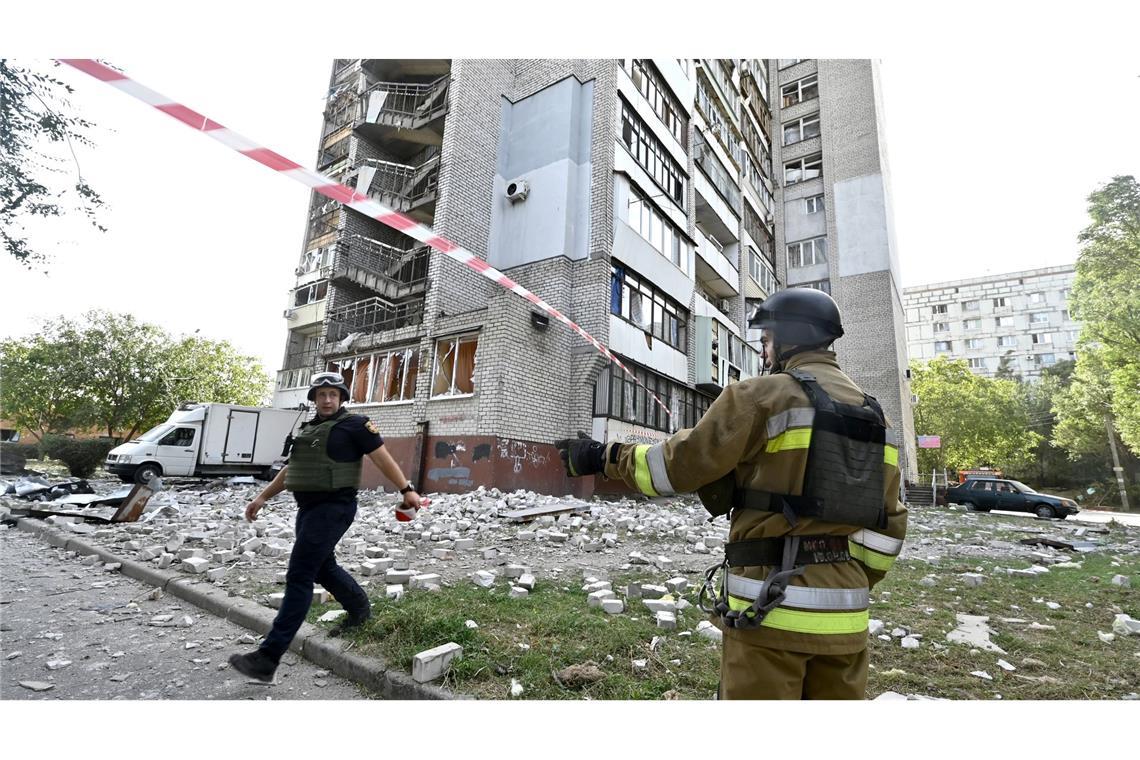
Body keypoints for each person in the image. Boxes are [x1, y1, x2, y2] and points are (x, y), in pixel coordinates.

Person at [556, 289, 907, 699]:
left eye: (766, 341)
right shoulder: (875, 416)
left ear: (789, 338)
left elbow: (675, 466)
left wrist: (602, 456)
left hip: (768, 614)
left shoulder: (759, 396)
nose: (763, 352)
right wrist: (843, 579)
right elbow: (889, 526)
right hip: (847, 621)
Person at [228, 371, 422, 683]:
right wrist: (262, 496)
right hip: (307, 509)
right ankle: (359, 611)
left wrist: (406, 489)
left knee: (300, 573)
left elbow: (382, 458)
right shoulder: (310, 429)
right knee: (321, 566)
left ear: (342, 398)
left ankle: (268, 658)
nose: (328, 399)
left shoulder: (356, 425)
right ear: (314, 399)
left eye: (333, 394)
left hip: (335, 507)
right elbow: (294, 468)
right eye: (322, 395)